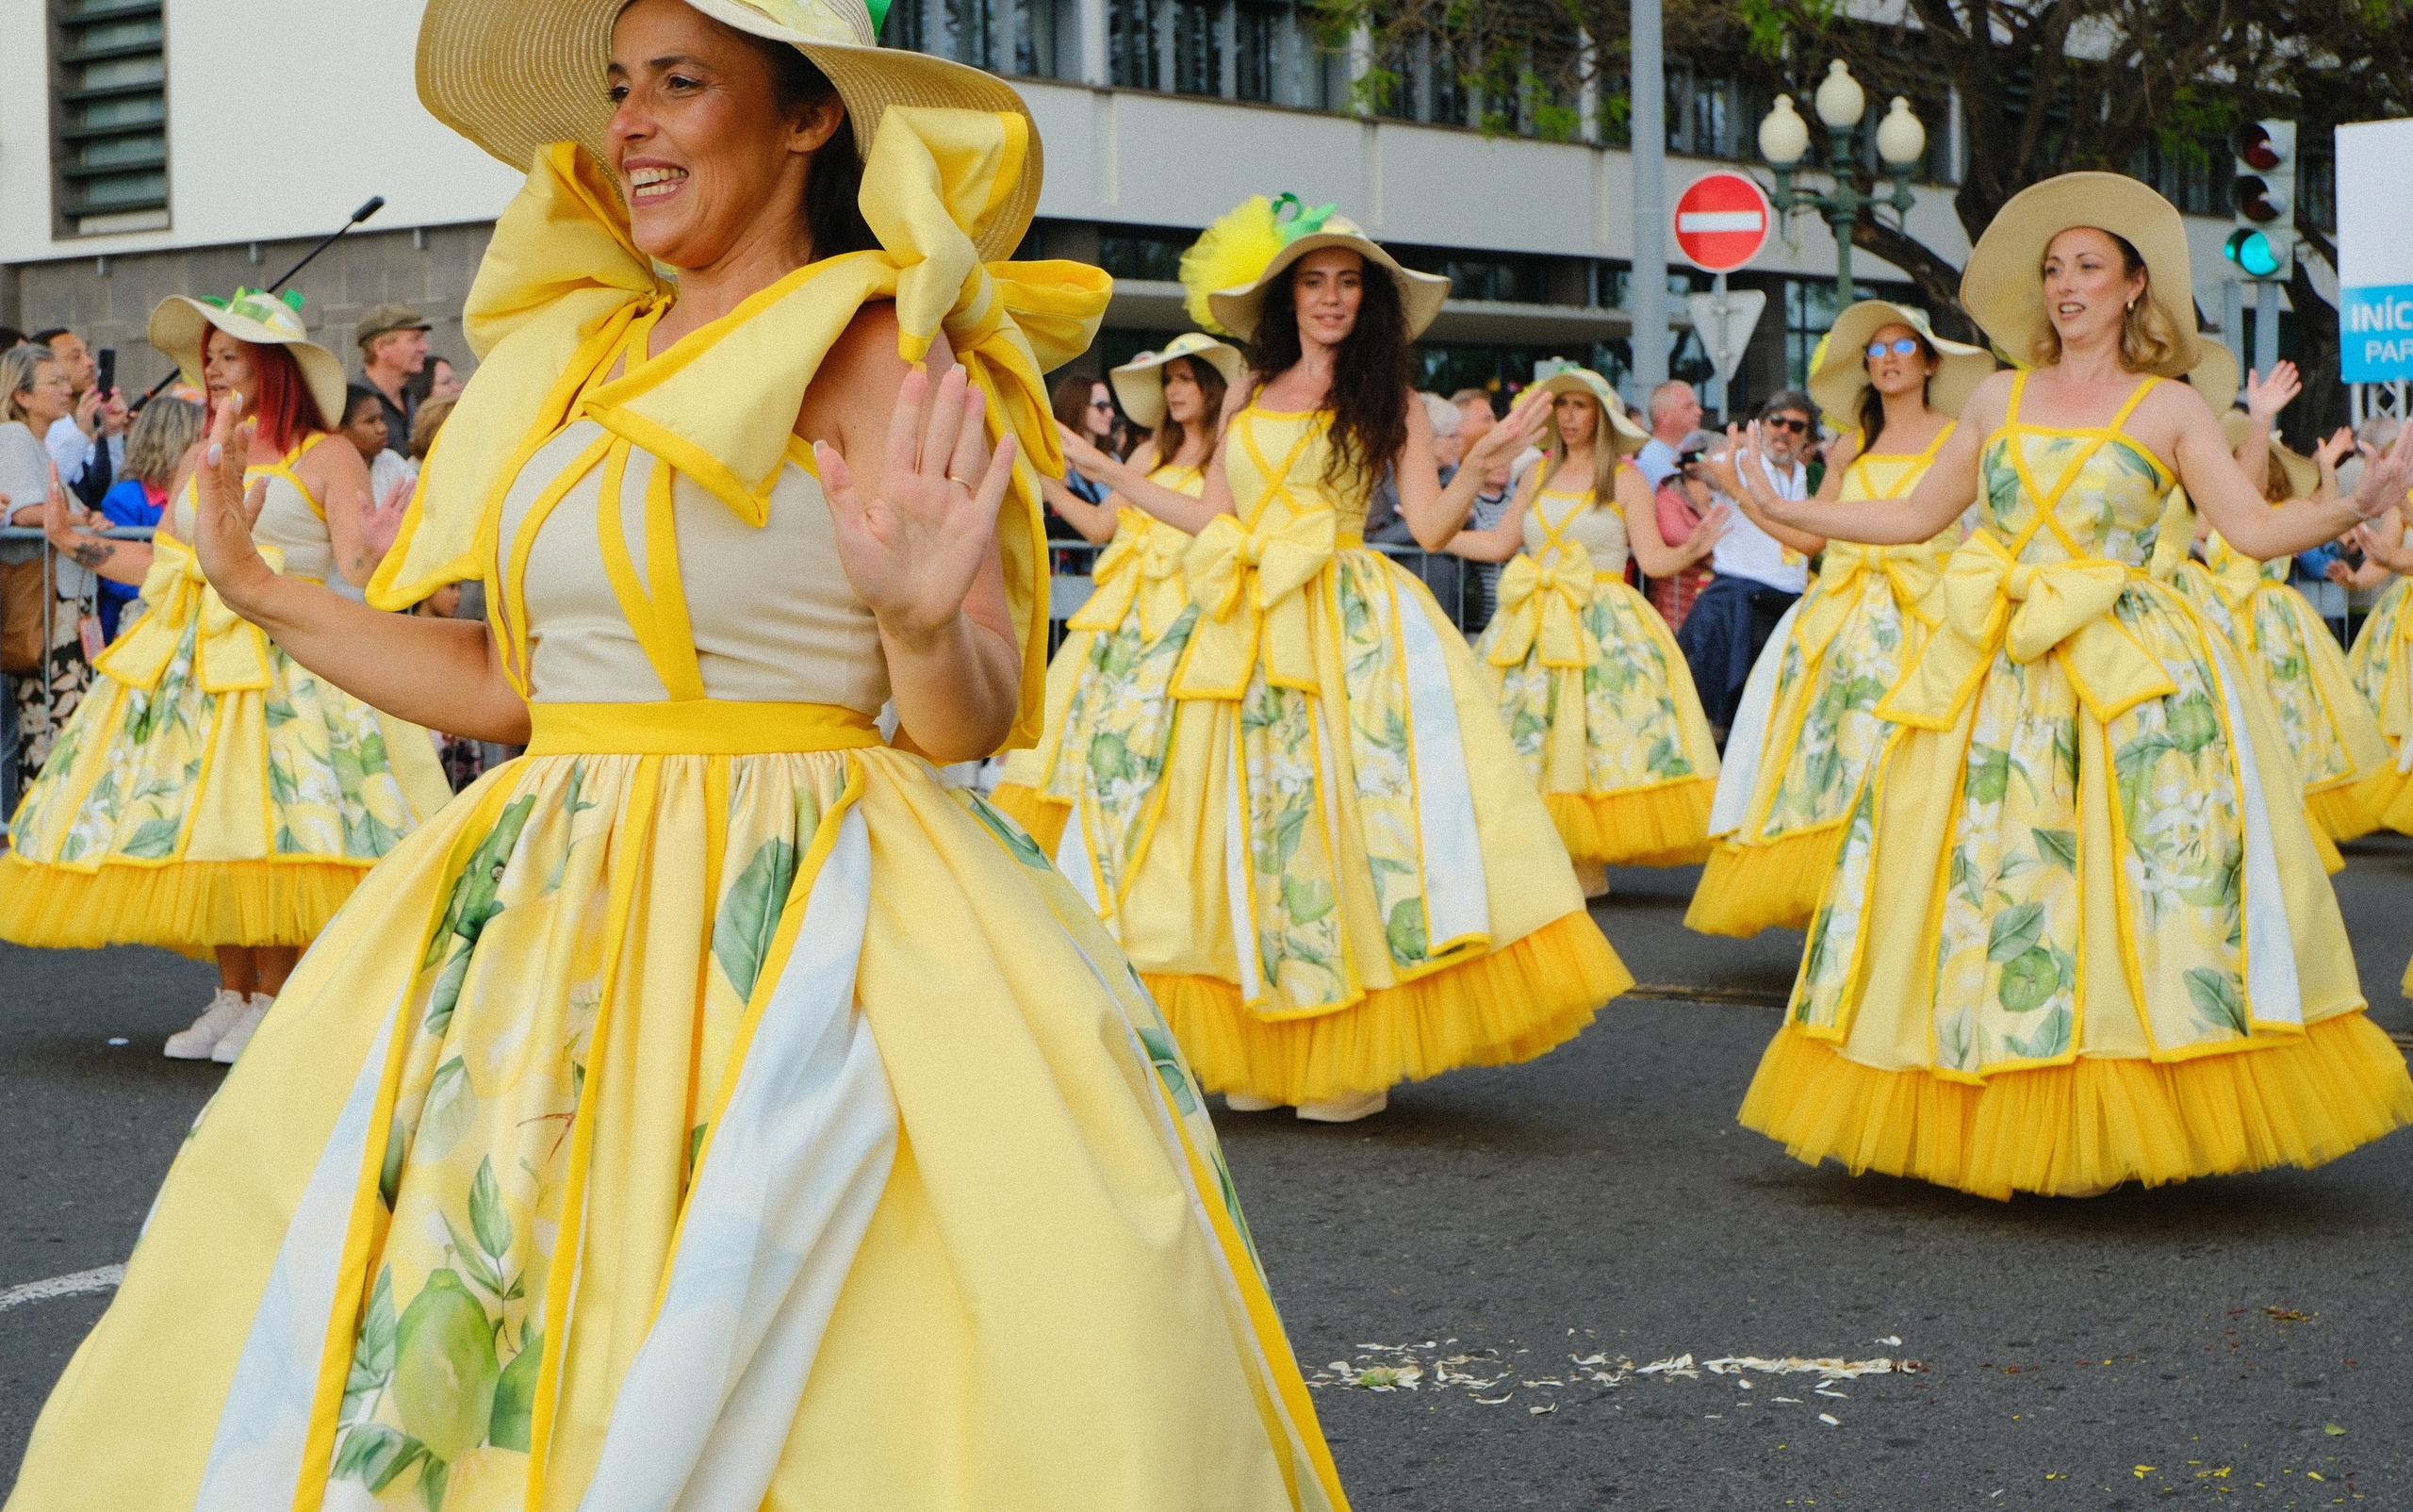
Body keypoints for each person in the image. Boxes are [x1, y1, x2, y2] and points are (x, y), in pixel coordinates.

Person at [3, 4, 1347, 1505]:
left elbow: (971, 712)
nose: (630, 123)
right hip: (533, 916)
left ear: (806, 118)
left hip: (813, 919)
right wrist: (265, 595)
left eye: (682, 84)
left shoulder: (891, 350)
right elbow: (520, 686)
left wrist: (916, 626)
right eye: (621, 89)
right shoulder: (581, 361)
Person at [1716, 172, 2413, 1199]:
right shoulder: (1996, 395)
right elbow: (1912, 517)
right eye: (2052, 269)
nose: (2064, 285)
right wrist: (1779, 513)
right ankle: (1985, 1079)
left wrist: (2356, 499)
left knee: (2137, 880)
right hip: (2000, 670)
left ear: (2135, 287)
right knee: (1991, 882)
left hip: (2129, 675)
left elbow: (2253, 531)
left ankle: (2129, 1094)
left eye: (2087, 266)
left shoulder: (2172, 406)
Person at [1059, 191, 1632, 1124]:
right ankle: (1266, 1039)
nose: (1330, 298)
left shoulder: (1389, 398)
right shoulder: (1242, 391)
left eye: (1348, 283)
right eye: (1315, 281)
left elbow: (1434, 526)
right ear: (1286, 296)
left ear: (1368, 300)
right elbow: (1215, 516)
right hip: (1244, 622)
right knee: (1243, 823)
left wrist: (1479, 467)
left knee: (1342, 825)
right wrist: (1113, 473)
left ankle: (1340, 1050)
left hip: (1347, 626)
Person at [0, 287, 453, 1067]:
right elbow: (170, 562)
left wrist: (386, 544)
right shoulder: (196, 453)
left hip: (292, 664)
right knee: (211, 832)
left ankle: (278, 998)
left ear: (274, 368)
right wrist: (75, 542)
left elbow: (356, 566)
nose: (211, 370)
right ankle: (235, 994)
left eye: (229, 357)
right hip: (196, 664)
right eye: (207, 358)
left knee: (272, 826)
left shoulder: (329, 453)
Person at [1687, 302, 1993, 938]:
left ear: (1931, 361)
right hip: (1843, 625)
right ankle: (1844, 914)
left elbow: (1977, 529)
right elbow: (1809, 539)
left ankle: (1905, 909)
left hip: (1925, 620)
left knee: (1908, 760)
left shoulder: (1959, 437)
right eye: (1876, 350)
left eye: (1902, 347)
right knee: (1831, 759)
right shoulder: (1852, 445)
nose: (1886, 359)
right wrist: (1748, 495)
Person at [993, 331, 1241, 926]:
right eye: (1169, 380)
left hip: (1183, 622)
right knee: (1079, 745)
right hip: (1117, 621)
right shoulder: (1149, 452)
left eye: (1186, 378)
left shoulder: (1228, 455)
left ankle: (1140, 889)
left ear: (1210, 384)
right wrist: (1043, 476)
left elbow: (1210, 523)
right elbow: (1102, 525)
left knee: (1156, 751)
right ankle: (1073, 885)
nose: (1175, 391)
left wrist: (1095, 461)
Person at [1443, 367, 1725, 883]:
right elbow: (1500, 545)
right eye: (1562, 405)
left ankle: (1579, 861)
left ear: (1602, 414)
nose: (1569, 417)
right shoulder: (1534, 475)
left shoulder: (1624, 478)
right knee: (1532, 738)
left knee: (1594, 739)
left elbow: (1655, 561)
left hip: (1603, 622)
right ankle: (1540, 862)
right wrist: (1437, 536)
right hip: (1529, 622)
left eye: (1581, 405)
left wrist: (1692, 547)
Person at [2181, 400, 2392, 844]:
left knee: (2290, 715)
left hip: (2273, 626)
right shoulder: (2208, 518)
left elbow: (2325, 524)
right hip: (2222, 618)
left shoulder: (2286, 512)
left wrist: (2331, 472)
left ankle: (2293, 804)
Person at [1683, 390, 1826, 737]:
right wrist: (1714, 471)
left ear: (1807, 439)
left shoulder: (1800, 476)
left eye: (1796, 426)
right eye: (1776, 421)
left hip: (1786, 605)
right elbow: (1712, 472)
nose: (1784, 431)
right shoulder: (1742, 461)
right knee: (1720, 723)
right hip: (1736, 602)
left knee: (1772, 722)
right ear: (1760, 427)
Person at [0, 343, 99, 805]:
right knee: (51, 722)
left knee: (66, 721)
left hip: (68, 601)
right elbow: (24, 513)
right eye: (54, 382)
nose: (67, 389)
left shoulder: (35, 444)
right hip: (51, 605)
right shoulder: (14, 439)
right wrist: (84, 521)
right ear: (22, 396)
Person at [93, 395, 205, 641]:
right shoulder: (125, 498)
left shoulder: (197, 495)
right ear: (176, 442)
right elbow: (116, 577)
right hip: (138, 628)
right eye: (200, 439)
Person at [33, 325, 127, 509]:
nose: (90, 362)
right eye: (76, 357)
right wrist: (82, 433)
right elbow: (49, 485)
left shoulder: (85, 422)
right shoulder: (43, 427)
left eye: (88, 354)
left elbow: (109, 488)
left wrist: (113, 433)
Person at [1042, 371, 1119, 540]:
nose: (1110, 413)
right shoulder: (1053, 457)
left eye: (1110, 406)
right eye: (1101, 406)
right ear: (1077, 406)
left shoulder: (1113, 459)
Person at [354, 302, 431, 460]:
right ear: (381, 347)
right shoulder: (356, 407)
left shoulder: (409, 398)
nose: (424, 347)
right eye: (415, 339)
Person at [338, 380, 421, 524]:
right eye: (370, 421)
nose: (382, 428)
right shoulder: (329, 470)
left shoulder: (390, 460)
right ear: (340, 430)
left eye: (382, 419)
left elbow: (420, 505)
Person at [1634, 378, 1703, 492]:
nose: (1699, 412)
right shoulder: (1645, 461)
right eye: (1688, 406)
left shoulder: (1687, 455)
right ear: (1664, 416)